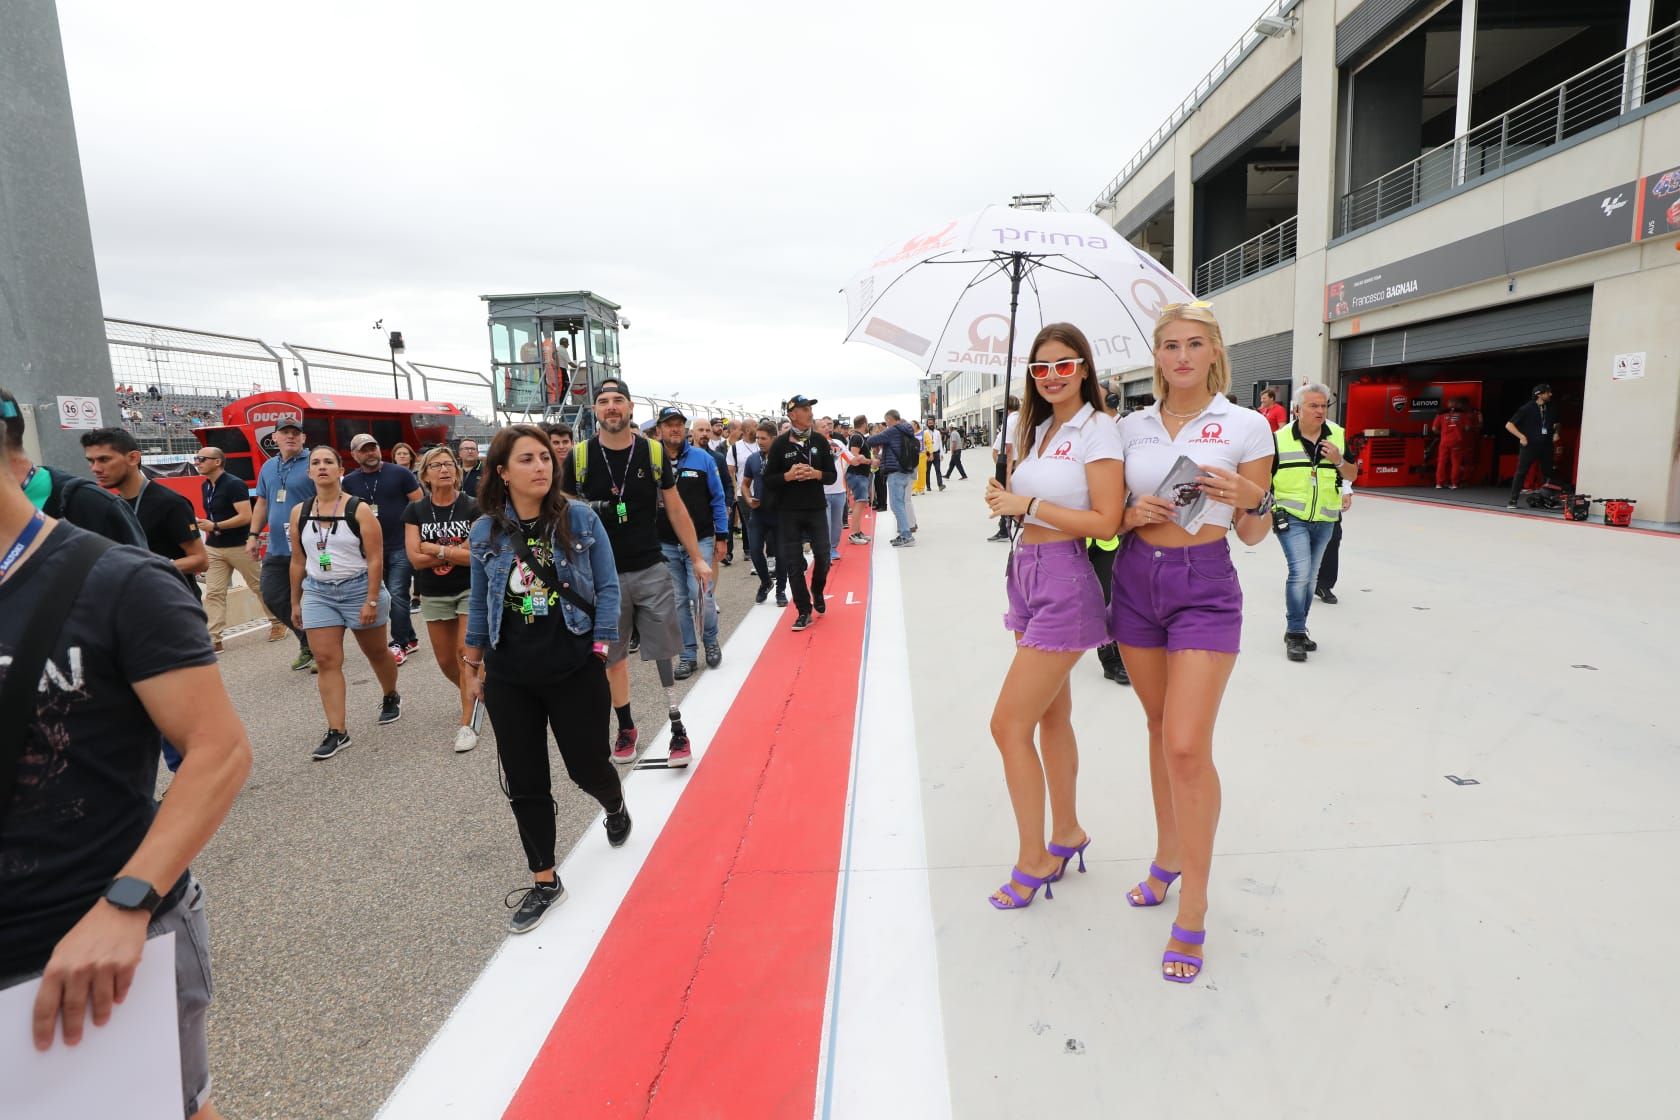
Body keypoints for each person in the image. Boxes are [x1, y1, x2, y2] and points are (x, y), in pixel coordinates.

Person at [0, 393, 253, 1120]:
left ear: (20, 465)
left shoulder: (119, 583)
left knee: (167, 1109)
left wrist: (129, 900)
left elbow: (219, 749)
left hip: (94, 936)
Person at [1110, 302, 1277, 984]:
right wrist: (1129, 513)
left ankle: (1196, 905)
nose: (1181, 356)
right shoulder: (1129, 427)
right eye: (1170, 345)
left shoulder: (1247, 425)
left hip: (1204, 584)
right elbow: (1106, 522)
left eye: (1194, 344)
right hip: (1135, 580)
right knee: (1156, 728)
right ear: (1157, 356)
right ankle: (1167, 853)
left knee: (1186, 742)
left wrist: (1252, 499)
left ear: (1214, 352)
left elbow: (1253, 534)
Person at [979, 324, 1125, 914]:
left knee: (1006, 725)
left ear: (1084, 368)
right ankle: (1066, 832)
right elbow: (1023, 505)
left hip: (1065, 577)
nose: (1053, 376)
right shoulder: (1035, 430)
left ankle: (1034, 857)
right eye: (1041, 368)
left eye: (1064, 365)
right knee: (1050, 716)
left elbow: (1107, 521)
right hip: (1025, 572)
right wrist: (1004, 494)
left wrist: (1028, 504)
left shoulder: (1099, 430)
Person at [462, 425, 630, 934]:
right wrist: (472, 667)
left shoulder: (577, 517)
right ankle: (544, 880)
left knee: (586, 766)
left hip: (574, 666)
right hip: (510, 674)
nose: (541, 467)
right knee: (525, 781)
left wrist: (599, 649)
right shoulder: (486, 532)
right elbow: (478, 602)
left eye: (544, 458)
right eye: (527, 460)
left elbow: (606, 585)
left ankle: (614, 801)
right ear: (501, 471)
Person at [561, 379, 713, 767]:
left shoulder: (653, 452)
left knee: (664, 651)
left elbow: (676, 508)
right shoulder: (578, 457)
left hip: (650, 565)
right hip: (600, 576)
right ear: (595, 410)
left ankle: (677, 727)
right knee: (614, 658)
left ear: (630, 408)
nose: (611, 407)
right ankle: (625, 725)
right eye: (603, 401)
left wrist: (696, 556)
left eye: (617, 401)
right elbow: (561, 513)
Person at [287, 446, 403, 760]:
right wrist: (296, 601)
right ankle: (337, 731)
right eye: (316, 463)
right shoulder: (299, 511)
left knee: (376, 652)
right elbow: (298, 561)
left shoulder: (359, 509)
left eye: (328, 462)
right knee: (326, 660)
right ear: (309, 472)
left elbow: (376, 558)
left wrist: (370, 599)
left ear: (340, 470)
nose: (321, 467)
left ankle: (391, 694)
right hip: (318, 592)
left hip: (358, 589)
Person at [1272, 382, 1356, 662]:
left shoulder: (1338, 436)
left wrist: (1338, 459)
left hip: (1326, 517)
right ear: (1297, 410)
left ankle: (1298, 629)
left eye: (1324, 405)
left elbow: (1353, 473)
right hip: (1291, 516)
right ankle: (1296, 632)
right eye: (1314, 406)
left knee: (1310, 577)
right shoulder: (1278, 439)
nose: (1320, 411)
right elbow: (1263, 479)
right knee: (1300, 573)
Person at [404, 446, 481, 752]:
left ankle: (468, 723)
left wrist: (434, 549)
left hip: (470, 588)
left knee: (465, 653)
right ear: (425, 474)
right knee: (447, 661)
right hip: (433, 592)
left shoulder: (473, 507)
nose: (444, 470)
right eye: (436, 466)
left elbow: (475, 556)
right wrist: (453, 552)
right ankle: (476, 691)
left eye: (449, 465)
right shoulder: (416, 511)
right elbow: (413, 557)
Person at [80, 428, 207, 597]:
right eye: (91, 461)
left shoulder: (170, 503)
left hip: (173, 605)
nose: (95, 468)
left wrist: (146, 566)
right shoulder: (114, 505)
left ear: (133, 458)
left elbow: (200, 560)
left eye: (104, 459)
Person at [653, 407, 729, 678]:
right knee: (677, 601)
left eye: (678, 424)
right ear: (659, 429)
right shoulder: (650, 459)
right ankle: (687, 654)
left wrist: (722, 536)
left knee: (703, 598)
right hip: (664, 544)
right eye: (669, 424)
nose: (674, 429)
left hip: (701, 540)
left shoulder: (703, 459)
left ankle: (710, 642)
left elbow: (718, 499)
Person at [341, 433, 423, 665]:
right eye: (364, 450)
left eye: (373, 448)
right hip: (371, 550)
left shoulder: (400, 473)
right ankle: (410, 637)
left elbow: (419, 505)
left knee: (397, 593)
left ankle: (399, 643)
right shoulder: (349, 482)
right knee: (386, 596)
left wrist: (417, 537)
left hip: (400, 545)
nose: (370, 453)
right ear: (355, 455)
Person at [247, 417, 317, 670]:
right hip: (277, 547)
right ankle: (309, 641)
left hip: (310, 546)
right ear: (274, 438)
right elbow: (263, 503)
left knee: (316, 597)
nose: (291, 437)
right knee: (273, 595)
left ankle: (323, 648)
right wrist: (253, 535)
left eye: (295, 433)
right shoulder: (268, 467)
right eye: (285, 433)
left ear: (303, 438)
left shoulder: (313, 462)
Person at [763, 394, 838, 632]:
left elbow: (832, 475)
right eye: (805, 409)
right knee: (794, 563)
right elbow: (768, 480)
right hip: (789, 512)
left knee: (824, 557)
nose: (810, 412)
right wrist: (788, 475)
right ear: (792, 414)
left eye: (810, 408)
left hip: (816, 507)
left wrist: (816, 474)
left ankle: (817, 589)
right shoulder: (780, 444)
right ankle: (804, 610)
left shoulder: (819, 440)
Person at [194, 445, 278, 651]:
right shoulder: (206, 486)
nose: (198, 462)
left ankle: (278, 622)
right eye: (196, 458)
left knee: (258, 586)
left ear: (217, 462)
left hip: (239, 546)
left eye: (202, 459)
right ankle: (214, 639)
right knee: (214, 592)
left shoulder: (234, 484)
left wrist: (215, 525)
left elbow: (246, 516)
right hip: (215, 547)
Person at [740, 420, 788, 606]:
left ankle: (781, 590)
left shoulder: (785, 458)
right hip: (759, 513)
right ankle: (766, 582)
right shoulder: (753, 459)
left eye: (763, 438)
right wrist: (748, 498)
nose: (759, 441)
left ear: (774, 439)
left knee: (782, 554)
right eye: (757, 438)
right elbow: (744, 484)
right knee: (754, 551)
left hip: (780, 514)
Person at [866, 409, 919, 547]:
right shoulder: (906, 430)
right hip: (905, 470)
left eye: (886, 421)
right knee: (900, 503)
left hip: (895, 471)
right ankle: (903, 533)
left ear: (890, 419)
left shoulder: (893, 430)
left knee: (897, 504)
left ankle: (906, 535)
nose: (886, 424)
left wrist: (875, 434)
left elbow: (872, 440)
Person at [1505, 384, 1560, 507]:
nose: (1550, 394)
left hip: (1546, 445)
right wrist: (1521, 436)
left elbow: (1556, 423)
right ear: (1539, 394)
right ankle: (1513, 500)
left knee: (1548, 473)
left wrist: (1556, 432)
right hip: (1530, 445)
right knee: (1522, 472)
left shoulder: (1551, 407)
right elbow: (1509, 425)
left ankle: (1548, 500)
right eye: (1547, 392)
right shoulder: (1526, 408)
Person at [988, 396, 1021, 541]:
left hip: (1010, 462)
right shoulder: (1024, 419)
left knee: (1003, 495)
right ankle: (1015, 519)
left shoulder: (1010, 422)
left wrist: (1006, 471)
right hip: (1023, 461)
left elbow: (1008, 448)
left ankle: (1003, 528)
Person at [1315, 482, 1354, 605]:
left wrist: (1345, 490)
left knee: (1333, 538)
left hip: (1329, 499)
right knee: (1302, 541)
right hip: (1301, 496)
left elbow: (1343, 466)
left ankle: (1323, 584)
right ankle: (1300, 579)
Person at [819, 417, 849, 563]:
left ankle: (833, 548)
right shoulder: (812, 445)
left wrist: (867, 460)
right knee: (826, 524)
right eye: (823, 426)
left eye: (828, 425)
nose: (826, 428)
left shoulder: (837, 443)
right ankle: (825, 551)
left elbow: (850, 459)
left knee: (837, 525)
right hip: (822, 492)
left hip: (839, 491)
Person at [844, 415, 874, 545]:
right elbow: (854, 454)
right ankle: (854, 533)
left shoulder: (858, 437)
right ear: (864, 424)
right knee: (860, 502)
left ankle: (857, 531)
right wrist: (870, 461)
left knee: (861, 503)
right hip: (857, 474)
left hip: (859, 474)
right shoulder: (857, 437)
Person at [1430, 399, 1473, 489]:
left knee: (1441, 462)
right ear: (1457, 404)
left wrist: (1442, 433)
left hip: (1444, 441)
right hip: (1457, 441)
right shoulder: (1462, 414)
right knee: (1456, 463)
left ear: (1448, 404)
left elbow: (1434, 429)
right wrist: (1460, 430)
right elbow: (1468, 428)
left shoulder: (1441, 414)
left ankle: (1439, 483)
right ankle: (1454, 483)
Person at [924, 422, 945, 491]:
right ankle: (928, 486)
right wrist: (927, 453)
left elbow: (940, 443)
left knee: (938, 469)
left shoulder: (937, 432)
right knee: (927, 471)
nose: (931, 424)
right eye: (929, 423)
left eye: (932, 423)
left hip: (936, 453)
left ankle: (940, 485)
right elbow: (924, 444)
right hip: (928, 453)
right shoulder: (925, 432)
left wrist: (941, 454)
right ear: (927, 424)